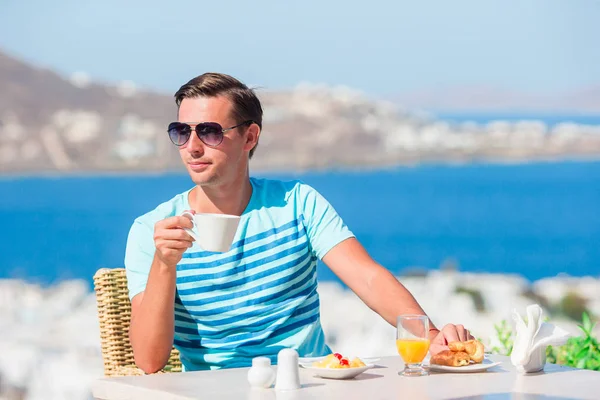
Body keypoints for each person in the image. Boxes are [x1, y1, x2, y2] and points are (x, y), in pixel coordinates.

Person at [124, 72, 474, 373]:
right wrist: (164, 264)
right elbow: (149, 361)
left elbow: (367, 277)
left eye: (210, 132)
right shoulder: (152, 229)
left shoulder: (297, 203)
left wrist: (429, 338)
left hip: (306, 385)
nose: (192, 147)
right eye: (182, 131)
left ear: (250, 137)